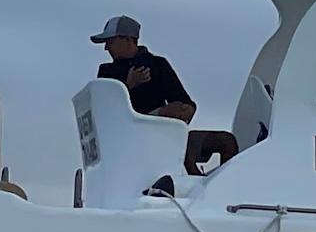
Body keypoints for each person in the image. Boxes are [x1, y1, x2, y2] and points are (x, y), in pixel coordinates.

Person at [91, 14, 239, 176]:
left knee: (227, 142)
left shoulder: (158, 65)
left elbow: (184, 101)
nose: (106, 48)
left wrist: (185, 110)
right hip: (131, 138)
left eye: (110, 41)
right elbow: (107, 113)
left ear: (127, 40)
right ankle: (197, 181)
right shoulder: (107, 72)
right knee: (178, 143)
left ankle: (217, 187)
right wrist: (129, 85)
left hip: (166, 134)